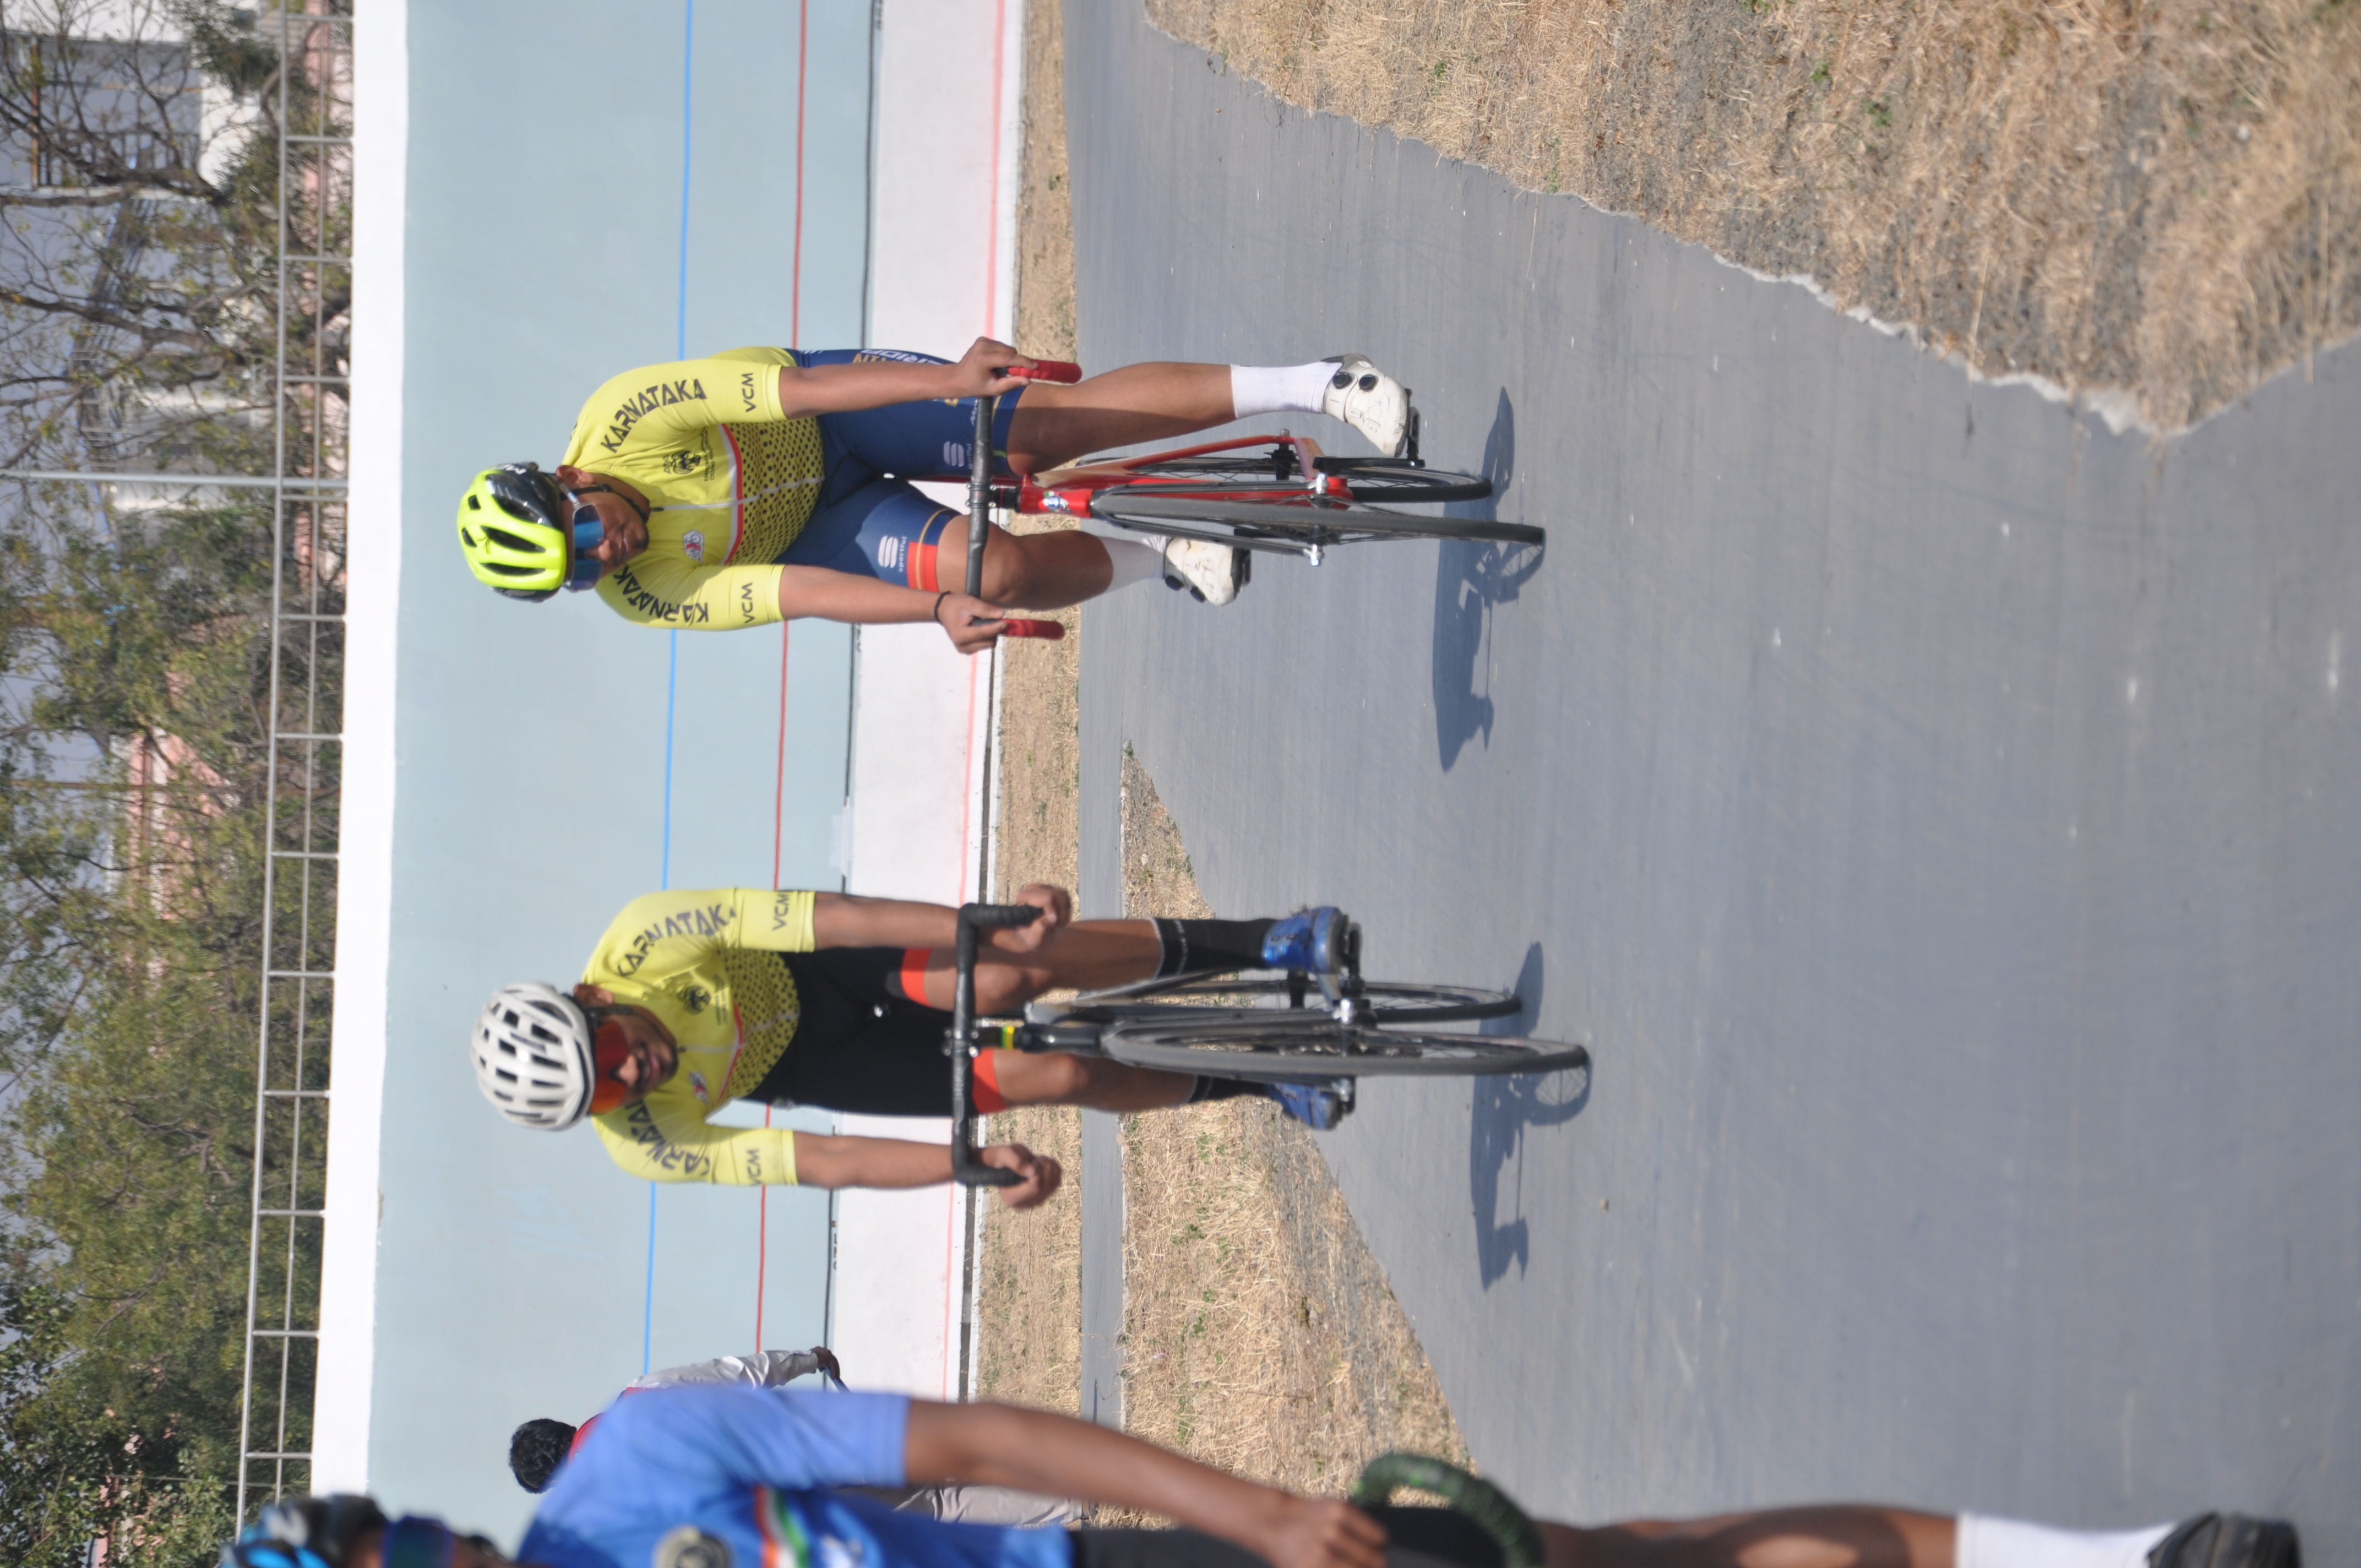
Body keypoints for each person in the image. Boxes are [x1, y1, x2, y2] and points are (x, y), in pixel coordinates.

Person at [221, 1386, 2300, 1568]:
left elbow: (986, 1443)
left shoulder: (646, 1450)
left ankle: (2115, 1552)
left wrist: (1248, 1508)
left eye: (394, 1532)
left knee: (1596, 1558)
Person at [453, 340, 1415, 646]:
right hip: (826, 527)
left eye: (581, 532)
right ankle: (1159, 552)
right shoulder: (643, 595)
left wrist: (945, 381)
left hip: (834, 417)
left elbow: (810, 391)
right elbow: (797, 594)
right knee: (993, 572)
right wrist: (938, 607)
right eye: (581, 572)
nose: (604, 554)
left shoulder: (627, 416)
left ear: (570, 480)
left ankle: (1320, 381)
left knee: (1041, 430)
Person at [469, 884, 1359, 1189]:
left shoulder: (646, 936)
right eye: (616, 1088)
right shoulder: (646, 1143)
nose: (638, 1068)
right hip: (811, 1059)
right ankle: (1265, 1079)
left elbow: (837, 916)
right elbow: (828, 1160)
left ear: (594, 996)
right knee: (1051, 1075)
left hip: (822, 967)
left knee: (1012, 973)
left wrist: (984, 921)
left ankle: (1261, 940)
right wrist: (966, 1167)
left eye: (614, 1050)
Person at [507, 1344, 1074, 1528]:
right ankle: (1079, 1467)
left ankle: (1074, 1499)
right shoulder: (642, 1396)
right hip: (811, 1440)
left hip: (788, 1512)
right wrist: (807, 1358)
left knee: (939, 1506)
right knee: (954, 1451)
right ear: (565, 1425)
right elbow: (741, 1372)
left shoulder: (617, 1515)